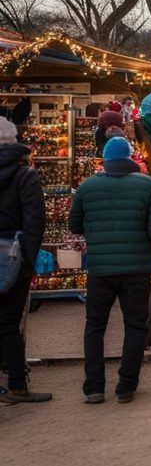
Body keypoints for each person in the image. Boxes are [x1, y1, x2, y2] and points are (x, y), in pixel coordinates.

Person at [70, 137, 151, 404]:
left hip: (100, 268)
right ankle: (126, 385)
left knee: (95, 326)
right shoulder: (147, 185)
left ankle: (94, 386)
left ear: (105, 159)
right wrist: (149, 241)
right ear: (129, 157)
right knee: (136, 325)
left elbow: (74, 224)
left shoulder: (87, 187)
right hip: (137, 266)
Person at [0, 117, 51, 404]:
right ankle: (17, 383)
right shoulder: (25, 176)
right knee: (9, 321)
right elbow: (35, 221)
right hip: (14, 255)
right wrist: (27, 259)